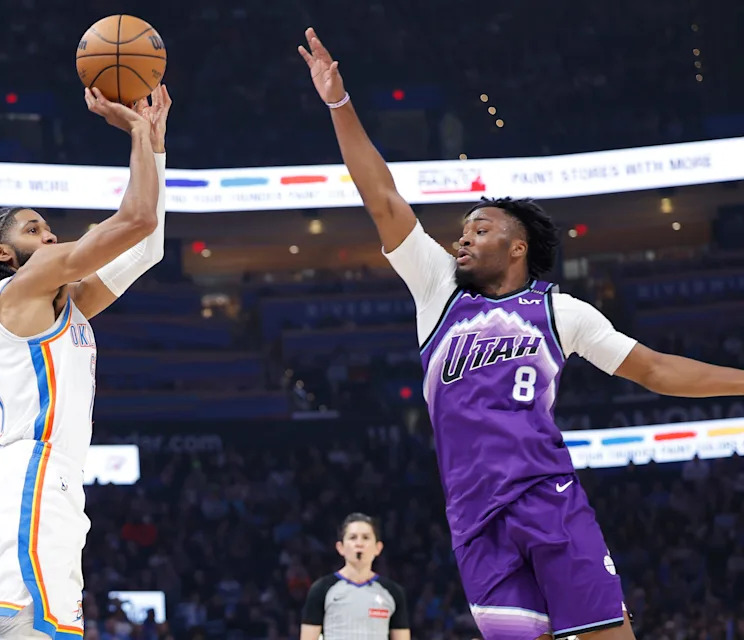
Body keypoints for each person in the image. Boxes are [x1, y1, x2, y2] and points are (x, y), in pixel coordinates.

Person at [298, 27, 744, 640]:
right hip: (474, 519)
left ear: (517, 246)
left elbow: (657, 370)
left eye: (478, 230)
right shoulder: (438, 290)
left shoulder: (562, 312)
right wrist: (338, 105)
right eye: (461, 230)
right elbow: (382, 197)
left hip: (548, 499)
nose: (461, 238)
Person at [0, 85, 171, 640]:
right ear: (2, 254)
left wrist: (154, 145)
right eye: (32, 229)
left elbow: (147, 245)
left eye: (48, 227)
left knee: (49, 631)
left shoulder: (67, 303)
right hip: (32, 470)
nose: (50, 234)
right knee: (30, 632)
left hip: (56, 479)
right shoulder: (22, 285)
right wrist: (134, 132)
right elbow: (134, 219)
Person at [300, 513, 409, 640]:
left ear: (378, 548)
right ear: (340, 548)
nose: (359, 543)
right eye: (352, 537)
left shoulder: (393, 592)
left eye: (366, 538)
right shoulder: (321, 589)